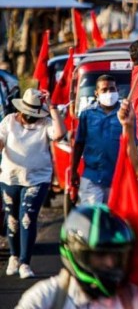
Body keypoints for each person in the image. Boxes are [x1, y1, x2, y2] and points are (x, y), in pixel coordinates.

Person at [16, 204, 138, 308]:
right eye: (100, 255)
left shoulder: (133, 298)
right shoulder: (45, 297)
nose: (110, 263)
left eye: (117, 255)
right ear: (77, 253)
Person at [0, 88, 66, 278]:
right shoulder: (9, 121)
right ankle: (13, 256)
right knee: (12, 219)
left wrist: (52, 108)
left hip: (37, 179)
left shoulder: (45, 123)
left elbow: (60, 134)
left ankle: (25, 263)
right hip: (10, 177)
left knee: (27, 218)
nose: (31, 116)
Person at [71, 74, 122, 205]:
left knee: (113, 221)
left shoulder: (126, 114)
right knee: (93, 220)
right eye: (104, 90)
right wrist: (73, 170)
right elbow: (79, 144)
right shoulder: (87, 114)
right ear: (96, 93)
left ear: (118, 91)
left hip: (118, 178)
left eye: (112, 89)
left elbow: (134, 144)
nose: (109, 93)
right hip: (92, 176)